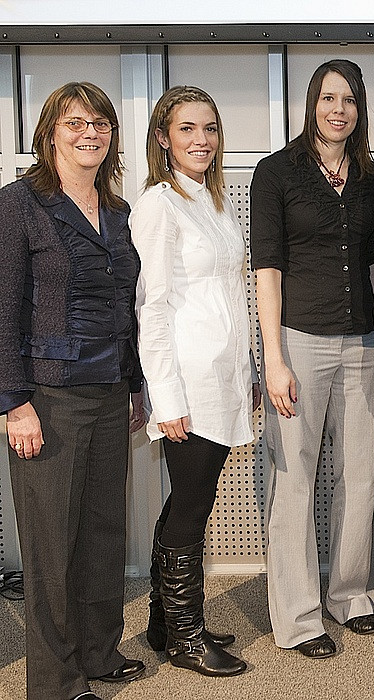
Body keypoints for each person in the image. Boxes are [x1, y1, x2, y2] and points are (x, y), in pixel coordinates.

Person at [0, 82, 146, 700]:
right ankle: (56, 685)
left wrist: (136, 382)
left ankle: (97, 651)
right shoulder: (18, 204)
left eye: (101, 125)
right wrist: (13, 402)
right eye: (76, 123)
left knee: (103, 532)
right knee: (52, 551)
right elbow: (3, 310)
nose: (90, 134)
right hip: (48, 398)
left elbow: (125, 306)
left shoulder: (118, 211)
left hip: (112, 391)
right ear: (49, 133)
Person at [251, 59, 374, 659]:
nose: (339, 109)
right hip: (299, 342)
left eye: (349, 100)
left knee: (360, 477)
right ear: (312, 104)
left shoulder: (368, 176)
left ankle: (351, 594)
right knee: (294, 480)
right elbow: (268, 271)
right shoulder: (276, 172)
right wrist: (273, 359)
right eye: (329, 98)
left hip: (361, 344)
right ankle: (300, 617)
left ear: (359, 111)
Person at [132, 85, 260, 677]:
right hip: (186, 382)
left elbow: (228, 295)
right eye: (187, 129)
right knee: (189, 504)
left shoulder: (212, 204)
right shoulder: (159, 204)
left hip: (222, 377)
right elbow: (151, 307)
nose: (201, 140)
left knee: (194, 500)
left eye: (209, 129)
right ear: (164, 138)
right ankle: (184, 637)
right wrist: (166, 396)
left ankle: (167, 622)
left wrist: (249, 370)